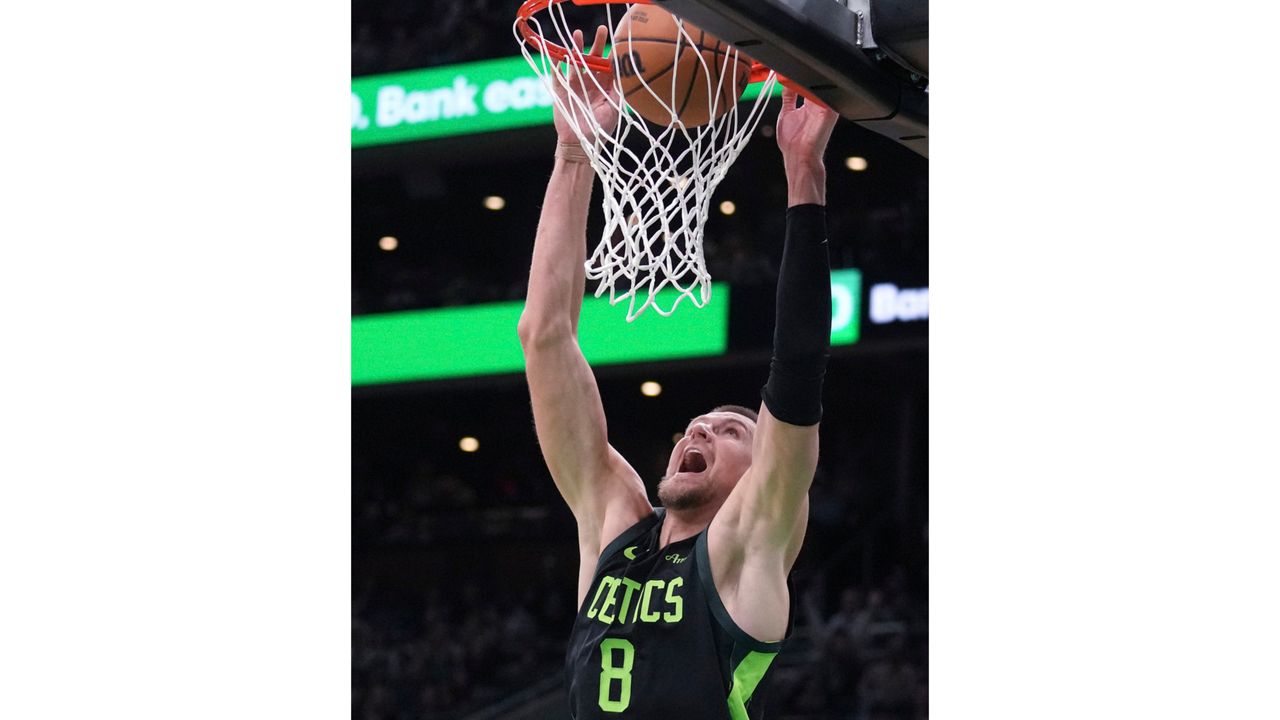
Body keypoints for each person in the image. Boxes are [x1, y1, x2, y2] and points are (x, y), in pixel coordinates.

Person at [517, 26, 839, 719]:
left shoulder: (747, 544)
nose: (701, 426)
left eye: (730, 430)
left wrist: (804, 176)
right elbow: (544, 338)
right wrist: (573, 154)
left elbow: (798, 372)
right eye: (701, 423)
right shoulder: (613, 524)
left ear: (761, 473)